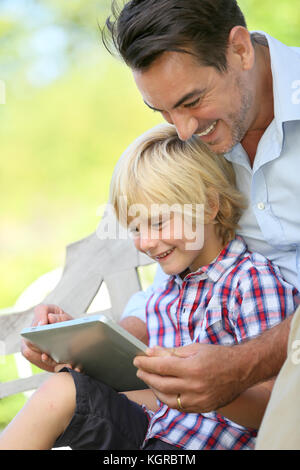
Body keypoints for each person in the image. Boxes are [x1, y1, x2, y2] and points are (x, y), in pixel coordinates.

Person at [1, 123, 298, 450]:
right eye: (135, 228)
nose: (144, 242)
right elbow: (148, 393)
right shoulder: (168, 290)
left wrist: (208, 389)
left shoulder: (252, 282)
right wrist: (78, 348)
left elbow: (279, 408)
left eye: (158, 222)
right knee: (64, 390)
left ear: (211, 206)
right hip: (154, 432)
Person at [100, 0, 300, 418]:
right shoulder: (198, 146)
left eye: (192, 101)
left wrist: (245, 365)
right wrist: (100, 346)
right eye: (163, 111)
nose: (183, 129)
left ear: (240, 50)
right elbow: (172, 283)